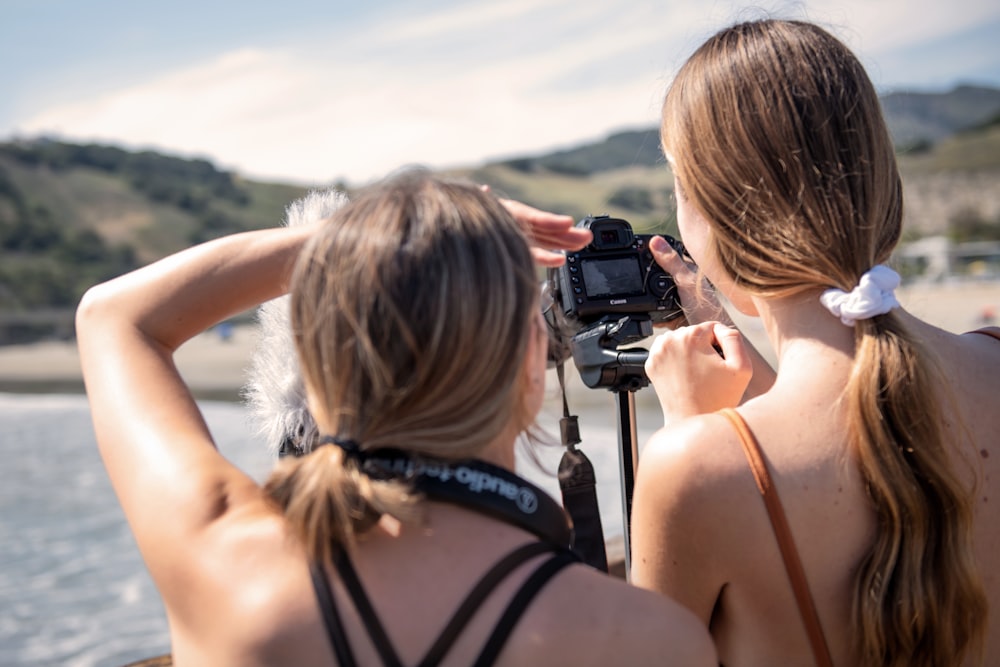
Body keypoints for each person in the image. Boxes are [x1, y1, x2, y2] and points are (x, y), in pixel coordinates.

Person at [76, 169, 716, 666]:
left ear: (317, 366)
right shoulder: (643, 640)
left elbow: (113, 316)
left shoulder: (220, 558)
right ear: (530, 361)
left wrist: (363, 245)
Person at [628, 18, 999, 667]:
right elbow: (865, 418)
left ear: (717, 222)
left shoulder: (695, 467)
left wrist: (698, 429)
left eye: (682, 190)